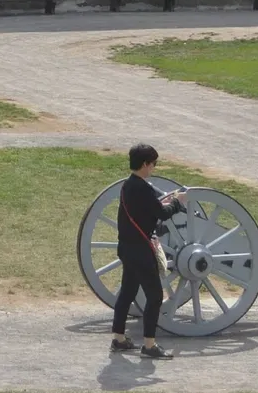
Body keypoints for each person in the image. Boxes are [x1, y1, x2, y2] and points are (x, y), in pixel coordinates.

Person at [109, 143, 186, 360]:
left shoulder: (127, 186)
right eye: (153, 164)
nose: (153, 167)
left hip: (126, 247)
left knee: (127, 293)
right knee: (154, 296)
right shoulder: (143, 188)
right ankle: (149, 345)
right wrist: (178, 203)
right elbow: (161, 213)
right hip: (141, 251)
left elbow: (145, 213)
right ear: (145, 164)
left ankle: (119, 339)